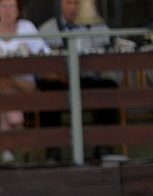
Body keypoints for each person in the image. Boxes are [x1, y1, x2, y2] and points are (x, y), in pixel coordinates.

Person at [37, 0, 119, 162]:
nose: (73, 8)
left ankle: (104, 146)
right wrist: (58, 75)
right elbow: (39, 68)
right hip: (60, 80)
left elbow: (113, 50)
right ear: (60, 4)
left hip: (88, 79)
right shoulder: (46, 30)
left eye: (77, 3)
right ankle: (53, 149)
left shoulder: (98, 27)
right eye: (69, 3)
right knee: (48, 91)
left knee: (109, 88)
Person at [0, 0, 51, 164]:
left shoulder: (27, 27)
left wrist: (30, 53)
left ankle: (7, 151)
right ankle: (18, 128)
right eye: (3, 6)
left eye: (11, 6)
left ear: (19, 9)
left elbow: (45, 52)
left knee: (6, 87)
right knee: (5, 85)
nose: (7, 10)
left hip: (23, 85)